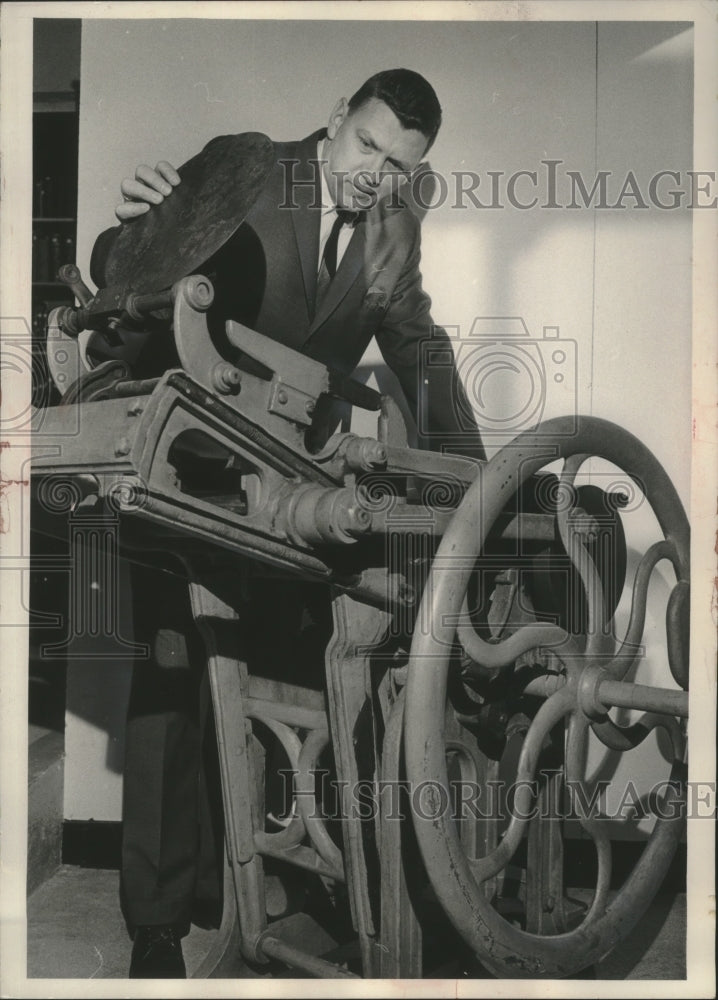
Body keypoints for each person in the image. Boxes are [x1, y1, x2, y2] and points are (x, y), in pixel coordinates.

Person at [90, 68, 486, 978]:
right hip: (185, 460)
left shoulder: (393, 229)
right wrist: (131, 225)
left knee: (293, 673)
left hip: (291, 488)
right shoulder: (246, 166)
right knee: (171, 670)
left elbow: (417, 344)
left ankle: (274, 882)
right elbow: (137, 268)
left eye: (399, 166)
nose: (374, 175)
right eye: (367, 146)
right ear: (336, 117)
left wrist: (482, 469)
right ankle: (158, 922)